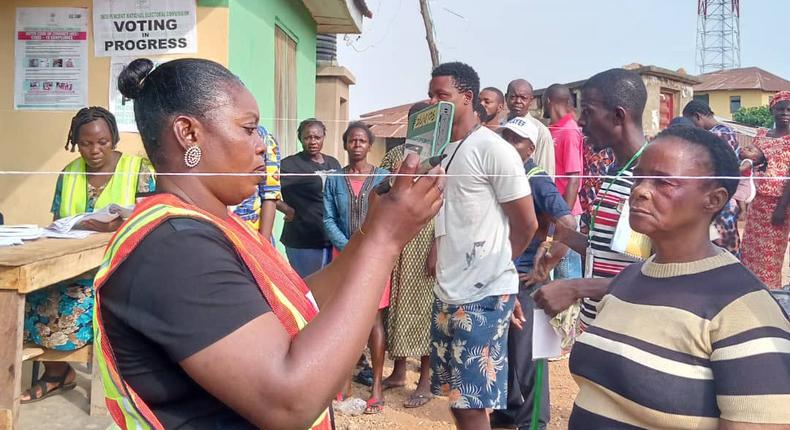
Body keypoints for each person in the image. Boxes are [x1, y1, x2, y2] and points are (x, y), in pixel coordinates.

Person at [93, 57, 443, 430]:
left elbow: (300, 303)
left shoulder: (219, 224)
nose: (262, 146)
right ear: (188, 133)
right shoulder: (174, 250)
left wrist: (371, 232)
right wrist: (384, 244)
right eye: (249, 129)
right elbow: (289, 403)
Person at [568, 125, 790, 429]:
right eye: (639, 177)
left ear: (713, 200)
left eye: (663, 182)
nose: (640, 190)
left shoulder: (744, 311)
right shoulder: (627, 281)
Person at [428, 62, 538, 430]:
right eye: (430, 95)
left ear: (467, 98)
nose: (433, 102)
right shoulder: (442, 151)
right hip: (448, 288)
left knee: (472, 402)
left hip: (482, 294)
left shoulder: (493, 149)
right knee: (455, 397)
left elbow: (527, 224)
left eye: (441, 96)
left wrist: (498, 275)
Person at [22, 106, 155, 403]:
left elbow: (152, 221)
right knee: (26, 299)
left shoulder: (139, 169)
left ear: (114, 139)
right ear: (75, 142)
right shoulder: (68, 173)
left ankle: (71, 374)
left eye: (103, 142)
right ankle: (56, 372)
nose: (94, 150)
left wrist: (113, 228)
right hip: (71, 265)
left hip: (120, 269)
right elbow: (58, 222)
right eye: (85, 143)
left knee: (68, 305)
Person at [533, 68, 649, 325]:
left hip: (631, 332)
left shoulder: (651, 180)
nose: (581, 121)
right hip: (600, 325)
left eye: (588, 111)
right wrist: (553, 235)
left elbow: (659, 276)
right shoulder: (615, 171)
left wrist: (578, 288)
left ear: (618, 116)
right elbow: (610, 251)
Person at [492, 117, 578, 430]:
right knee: (507, 351)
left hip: (526, 276)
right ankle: (508, 411)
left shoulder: (536, 179)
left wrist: (550, 258)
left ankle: (533, 421)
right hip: (504, 274)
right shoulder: (506, 175)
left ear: (531, 147)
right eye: (506, 137)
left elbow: (568, 223)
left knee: (529, 354)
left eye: (517, 140)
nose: (509, 145)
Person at [322, 121, 390, 413]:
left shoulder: (384, 177)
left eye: (362, 141)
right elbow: (327, 218)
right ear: (346, 144)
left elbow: (390, 215)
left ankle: (376, 385)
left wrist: (369, 245)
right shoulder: (335, 179)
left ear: (369, 145)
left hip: (377, 256)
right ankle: (343, 381)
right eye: (352, 140)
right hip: (344, 257)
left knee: (374, 319)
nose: (357, 145)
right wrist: (349, 246)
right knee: (344, 317)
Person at [379, 101, 436, 409]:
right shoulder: (396, 155)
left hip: (426, 239)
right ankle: (399, 370)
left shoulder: (442, 156)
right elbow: (382, 190)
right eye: (417, 120)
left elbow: (447, 202)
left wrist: (438, 247)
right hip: (397, 239)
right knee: (396, 305)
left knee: (423, 307)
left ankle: (425, 381)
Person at [279, 119, 342, 278]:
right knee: (309, 289)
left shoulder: (333, 163)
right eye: (307, 137)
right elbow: (264, 186)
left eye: (317, 137)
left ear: (323, 138)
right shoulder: (290, 165)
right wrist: (286, 209)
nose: (313, 142)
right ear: (300, 138)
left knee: (328, 289)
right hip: (303, 240)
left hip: (331, 239)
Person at [741, 91, 790, 289]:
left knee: (769, 257)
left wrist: (781, 208)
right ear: (772, 110)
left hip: (779, 204)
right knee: (749, 251)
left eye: (789, 109)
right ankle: (749, 292)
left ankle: (768, 296)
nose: (785, 113)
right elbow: (750, 162)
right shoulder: (761, 135)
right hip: (757, 201)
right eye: (780, 109)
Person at [682, 100, 742, 256]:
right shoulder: (727, 131)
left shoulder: (715, 135)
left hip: (717, 200)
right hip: (723, 197)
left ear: (698, 117)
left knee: (720, 249)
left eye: (692, 123)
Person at [543, 84, 584, 281]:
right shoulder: (551, 130)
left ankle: (572, 312)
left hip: (565, 213)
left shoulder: (569, 131)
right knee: (549, 265)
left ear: (547, 101)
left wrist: (563, 217)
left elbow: (574, 179)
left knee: (566, 272)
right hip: (552, 212)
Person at [232, 125, 282, 239]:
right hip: (210, 227)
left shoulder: (264, 138)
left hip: (250, 231)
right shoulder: (206, 131)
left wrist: (263, 244)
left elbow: (270, 194)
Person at [505, 79, 556, 177]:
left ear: (531, 101)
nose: (518, 101)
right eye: (513, 97)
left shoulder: (541, 131)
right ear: (506, 98)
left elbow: (545, 173)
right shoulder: (499, 126)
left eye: (523, 98)